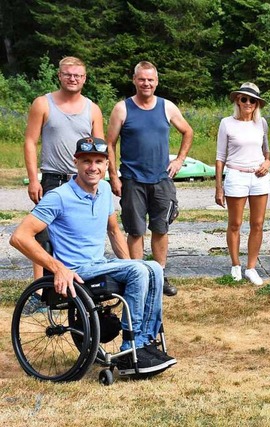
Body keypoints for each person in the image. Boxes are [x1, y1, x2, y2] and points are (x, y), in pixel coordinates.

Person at [10, 137, 176, 376]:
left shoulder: (106, 190)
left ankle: (146, 342)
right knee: (140, 270)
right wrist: (57, 268)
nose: (93, 167)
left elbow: (114, 230)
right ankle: (133, 348)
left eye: (99, 161)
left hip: (99, 264)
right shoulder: (59, 197)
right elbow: (19, 237)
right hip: (76, 269)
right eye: (86, 161)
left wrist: (131, 264)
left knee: (153, 268)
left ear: (107, 164)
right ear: (75, 162)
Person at [106, 61, 193, 297]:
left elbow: (188, 131)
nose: (146, 84)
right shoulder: (122, 109)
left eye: (151, 80)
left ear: (157, 81)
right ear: (134, 80)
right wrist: (113, 176)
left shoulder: (167, 107)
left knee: (160, 228)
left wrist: (179, 160)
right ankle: (139, 276)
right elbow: (110, 144)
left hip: (161, 179)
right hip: (132, 179)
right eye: (142, 79)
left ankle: (159, 275)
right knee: (135, 230)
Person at [24, 56, 104, 279]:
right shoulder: (43, 103)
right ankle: (39, 290)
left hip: (82, 180)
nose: (72, 78)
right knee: (43, 234)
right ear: (59, 75)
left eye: (77, 75)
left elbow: (101, 150)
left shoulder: (92, 109)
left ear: (84, 78)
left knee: (79, 232)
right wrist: (33, 179)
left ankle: (79, 278)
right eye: (68, 74)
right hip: (53, 178)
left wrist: (105, 178)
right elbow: (30, 141)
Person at [215, 82, 270, 286]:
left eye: (252, 100)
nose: (248, 103)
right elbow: (220, 156)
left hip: (258, 177)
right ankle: (235, 265)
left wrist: (267, 162)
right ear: (237, 100)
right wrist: (218, 186)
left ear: (257, 104)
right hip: (236, 175)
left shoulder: (261, 123)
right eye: (244, 99)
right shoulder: (226, 123)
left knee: (257, 223)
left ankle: (251, 267)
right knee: (235, 223)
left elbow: (267, 151)